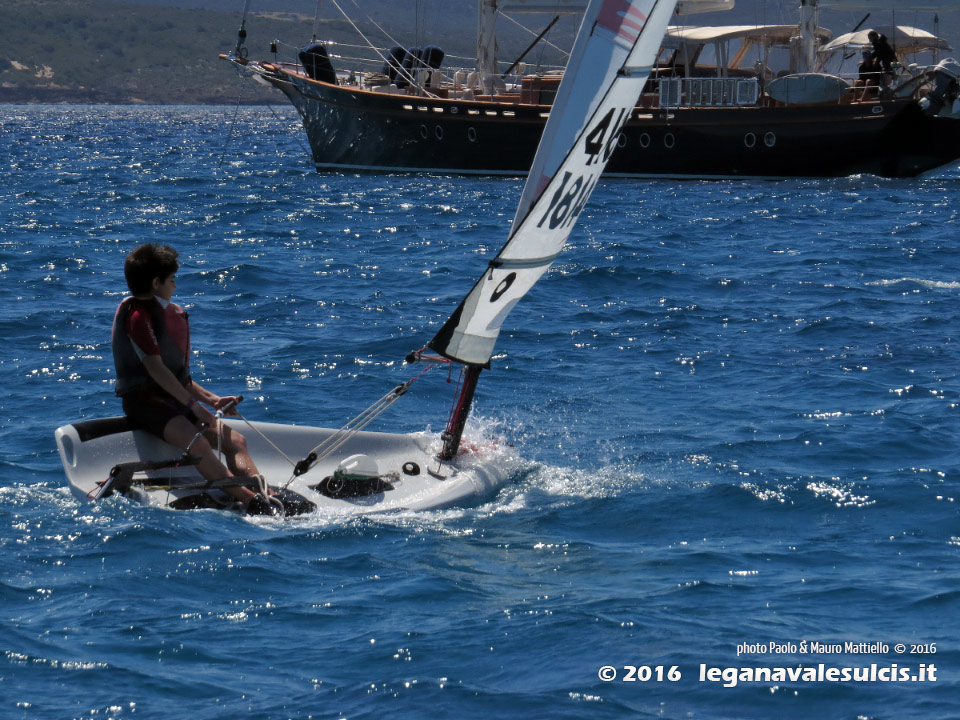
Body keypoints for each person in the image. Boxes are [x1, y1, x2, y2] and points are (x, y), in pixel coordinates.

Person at [112, 243, 274, 515]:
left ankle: (263, 491)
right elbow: (156, 370)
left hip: (172, 401)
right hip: (145, 405)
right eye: (172, 280)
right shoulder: (138, 318)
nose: (175, 287)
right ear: (156, 283)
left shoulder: (160, 314)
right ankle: (249, 500)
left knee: (235, 442)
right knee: (197, 444)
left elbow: (178, 377)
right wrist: (193, 406)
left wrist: (212, 400)